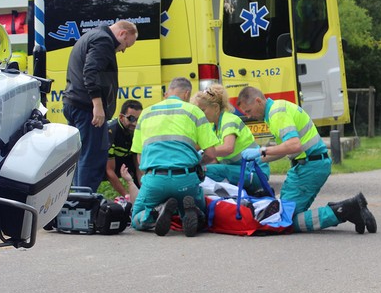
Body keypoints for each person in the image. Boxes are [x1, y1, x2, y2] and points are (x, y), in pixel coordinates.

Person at [236, 86, 377, 234]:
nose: (249, 116)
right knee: (284, 215)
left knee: (283, 220)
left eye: (248, 111)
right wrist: (260, 160)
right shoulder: (276, 110)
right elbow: (285, 148)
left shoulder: (276, 114)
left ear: (258, 101)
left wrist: (260, 151)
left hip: (308, 167)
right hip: (311, 164)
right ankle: (346, 209)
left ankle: (345, 210)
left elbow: (293, 145)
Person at [130, 77, 219, 237]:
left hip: (155, 179)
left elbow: (139, 158)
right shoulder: (194, 112)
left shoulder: (146, 113)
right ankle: (194, 214)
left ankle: (155, 213)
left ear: (167, 93)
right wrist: (198, 164)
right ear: (186, 94)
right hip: (185, 178)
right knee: (201, 212)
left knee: (135, 217)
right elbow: (211, 155)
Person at [62, 20, 138, 193]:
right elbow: (91, 72)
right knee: (93, 158)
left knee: (81, 157)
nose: (123, 50)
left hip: (74, 103)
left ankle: (79, 202)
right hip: (86, 108)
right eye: (127, 44)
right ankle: (86, 205)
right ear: (123, 34)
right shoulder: (103, 41)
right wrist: (97, 105)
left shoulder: (91, 36)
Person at [191, 84, 270, 193]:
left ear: (216, 107)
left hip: (256, 172)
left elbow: (228, 148)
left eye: (202, 110)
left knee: (205, 171)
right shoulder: (213, 126)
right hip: (242, 170)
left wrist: (204, 153)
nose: (200, 115)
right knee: (199, 171)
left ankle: (235, 195)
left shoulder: (229, 120)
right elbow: (213, 159)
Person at [105, 99, 143, 197]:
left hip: (125, 157)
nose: (135, 124)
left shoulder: (138, 129)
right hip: (106, 161)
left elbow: (138, 164)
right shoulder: (110, 132)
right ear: (121, 117)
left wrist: (143, 191)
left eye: (139, 119)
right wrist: (126, 196)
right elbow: (109, 170)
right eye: (131, 119)